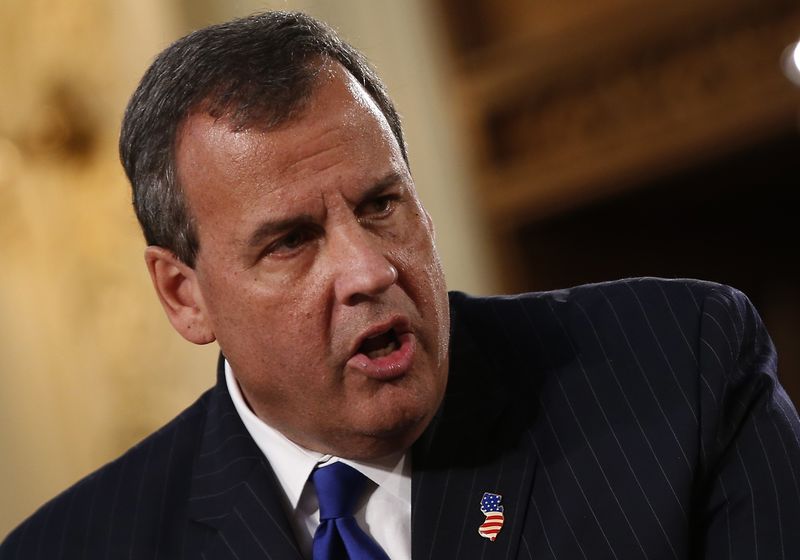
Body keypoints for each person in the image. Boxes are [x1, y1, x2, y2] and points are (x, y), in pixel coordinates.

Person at [2, 11, 799, 560]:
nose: (369, 270)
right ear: (185, 295)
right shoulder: (78, 547)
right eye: (291, 242)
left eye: (381, 205)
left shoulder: (678, 371)